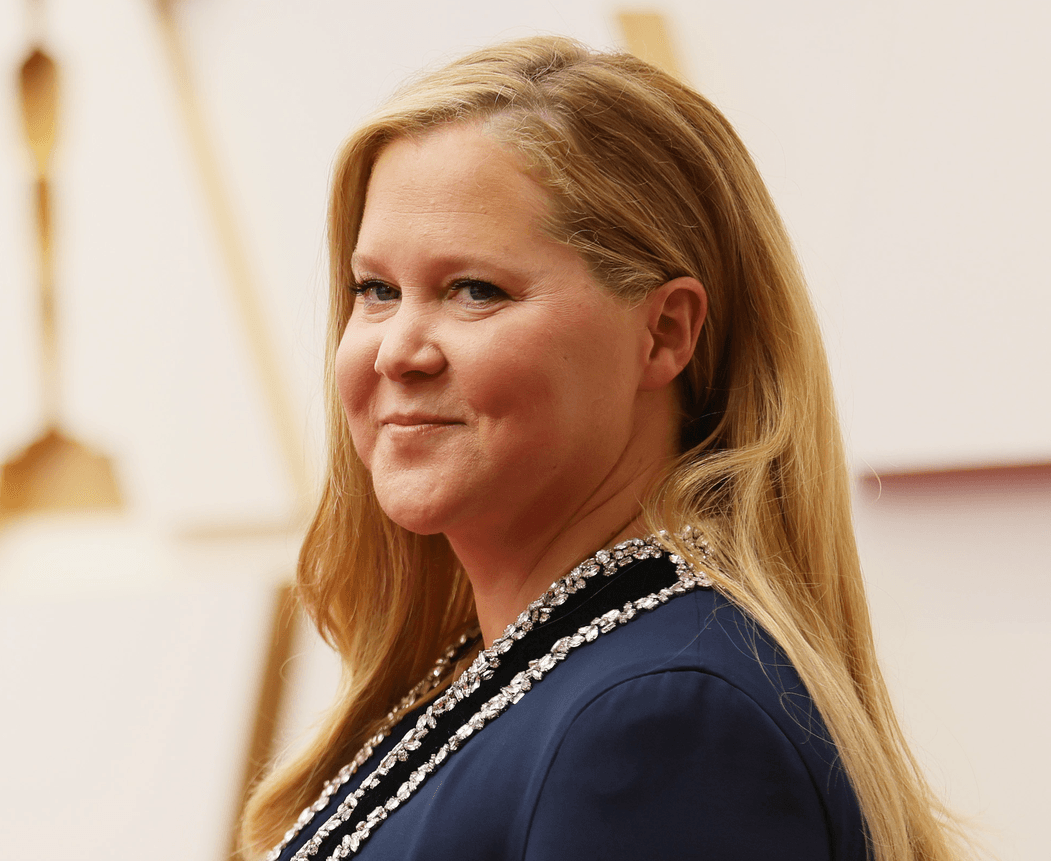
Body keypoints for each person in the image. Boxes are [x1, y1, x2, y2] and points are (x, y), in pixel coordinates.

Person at [240, 36, 965, 861]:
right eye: (376, 290)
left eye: (474, 290)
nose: (397, 349)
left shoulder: (660, 721)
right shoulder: (528, 676)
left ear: (664, 333)